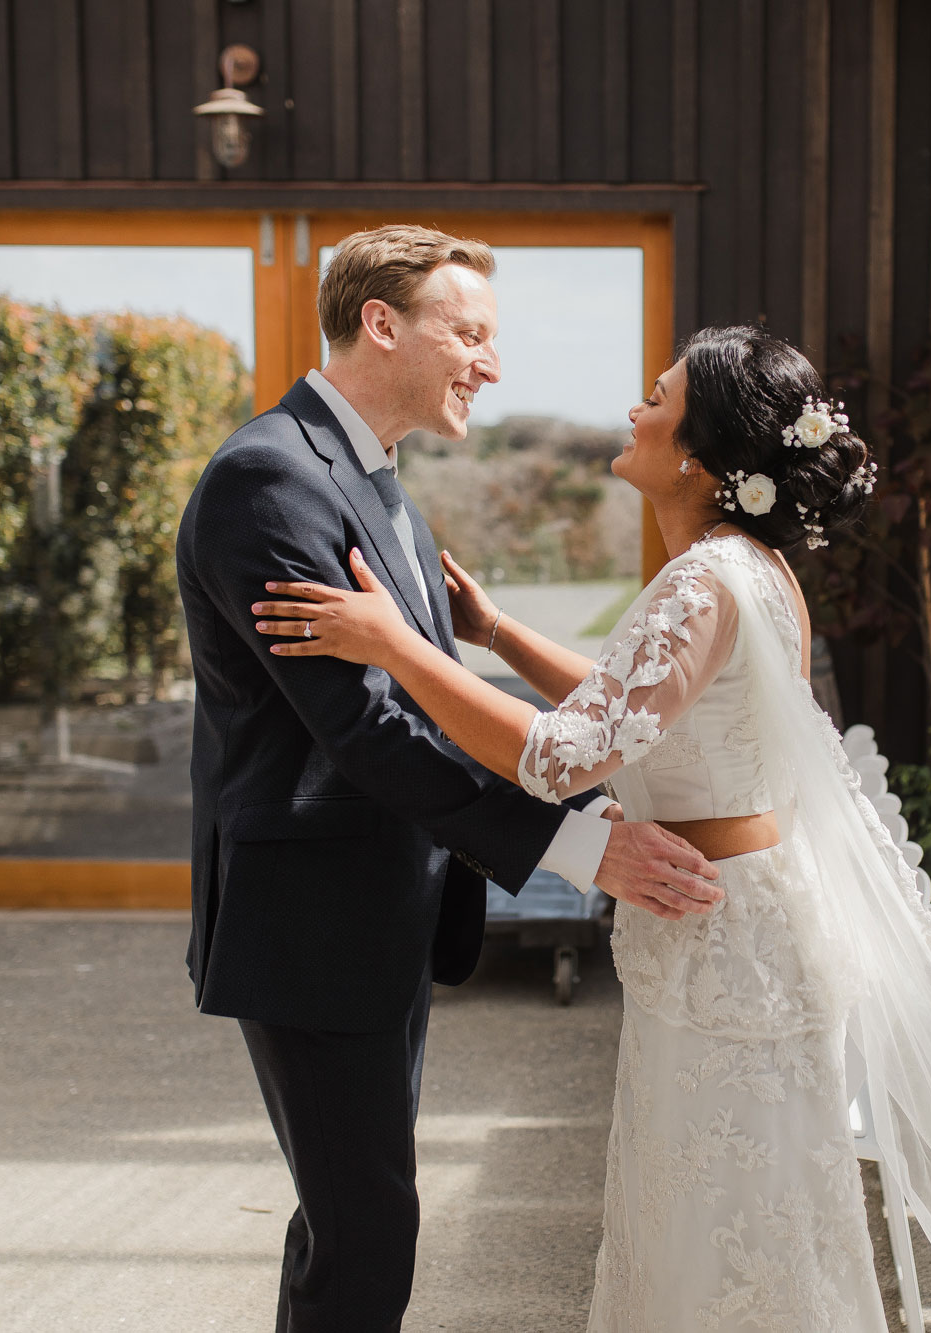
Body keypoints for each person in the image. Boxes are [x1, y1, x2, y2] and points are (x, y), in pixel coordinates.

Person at [250, 324, 931, 1329]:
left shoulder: (704, 580)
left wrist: (396, 648)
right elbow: (635, 706)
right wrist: (494, 635)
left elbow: (559, 757)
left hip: (725, 950)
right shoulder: (744, 568)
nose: (634, 409)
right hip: (733, 931)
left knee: (721, 1224)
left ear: (702, 457)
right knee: (736, 1219)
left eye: (657, 398)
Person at [174, 224, 723, 1333]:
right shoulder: (266, 484)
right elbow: (368, 734)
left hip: (374, 919)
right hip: (311, 928)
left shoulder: (376, 484)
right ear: (382, 323)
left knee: (346, 1217)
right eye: (468, 332)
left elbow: (437, 692)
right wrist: (580, 845)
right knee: (367, 1231)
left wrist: (579, 790)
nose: (492, 362)